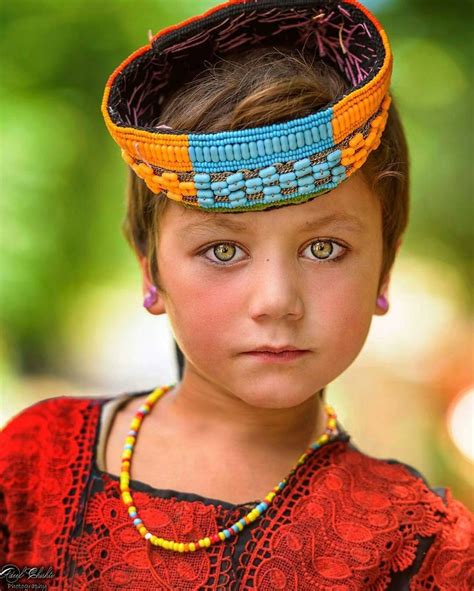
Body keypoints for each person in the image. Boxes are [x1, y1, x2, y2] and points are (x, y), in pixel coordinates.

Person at [1, 1, 472, 589]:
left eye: (324, 248)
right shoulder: (32, 464)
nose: (276, 301)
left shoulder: (421, 550)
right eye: (223, 250)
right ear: (150, 272)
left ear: (384, 270)